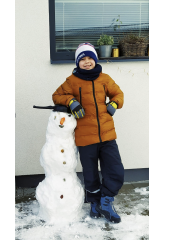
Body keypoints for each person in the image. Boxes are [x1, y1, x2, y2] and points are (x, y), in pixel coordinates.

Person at [52, 42, 124, 223]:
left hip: (107, 136)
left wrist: (114, 104)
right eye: (82, 59)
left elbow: (119, 94)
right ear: (77, 62)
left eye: (89, 58)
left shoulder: (104, 78)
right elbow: (57, 95)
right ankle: (94, 202)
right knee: (90, 174)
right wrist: (71, 102)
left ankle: (106, 201)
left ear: (95, 60)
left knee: (115, 170)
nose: (86, 62)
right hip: (85, 138)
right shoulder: (72, 81)